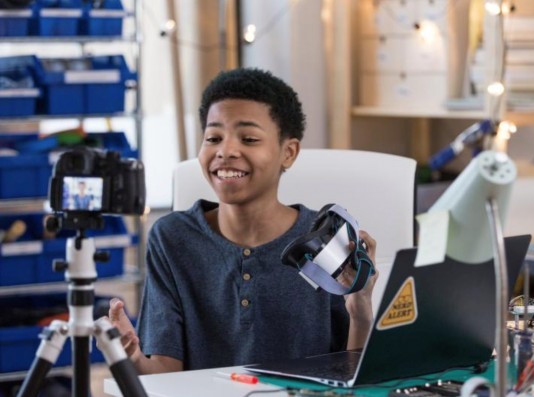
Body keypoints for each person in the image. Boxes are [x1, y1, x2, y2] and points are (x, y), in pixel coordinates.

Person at [108, 68, 378, 375]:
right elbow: (166, 374)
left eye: (248, 138)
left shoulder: (324, 240)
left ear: (288, 153)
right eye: (213, 138)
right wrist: (131, 359)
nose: (226, 151)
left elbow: (355, 378)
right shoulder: (172, 238)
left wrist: (361, 313)